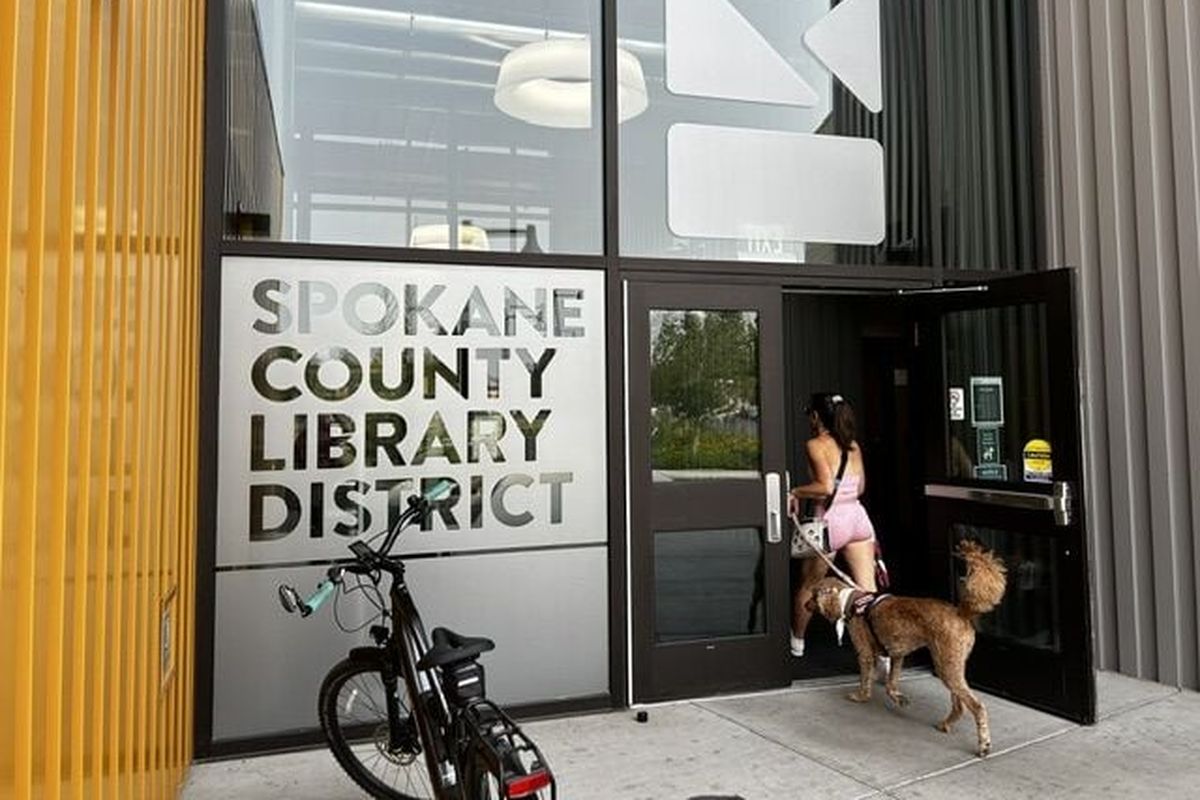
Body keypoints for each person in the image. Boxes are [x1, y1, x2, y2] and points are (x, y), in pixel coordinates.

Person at [787, 392, 878, 657]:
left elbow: (824, 487)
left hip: (829, 522)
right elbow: (860, 487)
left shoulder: (815, 444)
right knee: (867, 590)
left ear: (816, 416)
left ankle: (797, 645)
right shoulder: (853, 446)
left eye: (809, 414)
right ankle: (879, 654)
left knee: (808, 585)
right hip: (858, 520)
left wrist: (794, 491)